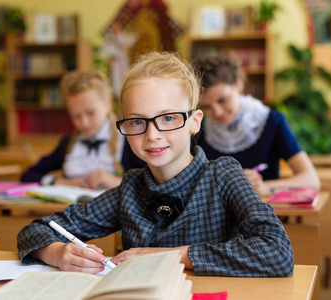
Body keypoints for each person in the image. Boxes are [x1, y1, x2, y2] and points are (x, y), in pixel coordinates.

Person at [17, 51, 294, 277]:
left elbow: (277, 252)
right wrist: (57, 253)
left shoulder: (223, 175)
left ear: (194, 122)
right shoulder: (131, 188)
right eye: (137, 121)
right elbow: (36, 230)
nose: (152, 135)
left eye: (169, 118)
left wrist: (168, 256)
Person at [193, 53, 320, 197]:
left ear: (238, 84)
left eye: (222, 100)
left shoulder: (272, 122)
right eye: (206, 106)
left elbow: (311, 180)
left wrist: (265, 188)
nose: (217, 112)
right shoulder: (199, 130)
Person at [20, 70, 141, 189]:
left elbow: (150, 184)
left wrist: (114, 181)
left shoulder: (129, 141)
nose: (84, 122)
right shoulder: (68, 144)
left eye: (90, 113)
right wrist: (61, 182)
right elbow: (28, 175)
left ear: (107, 104)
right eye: (76, 116)